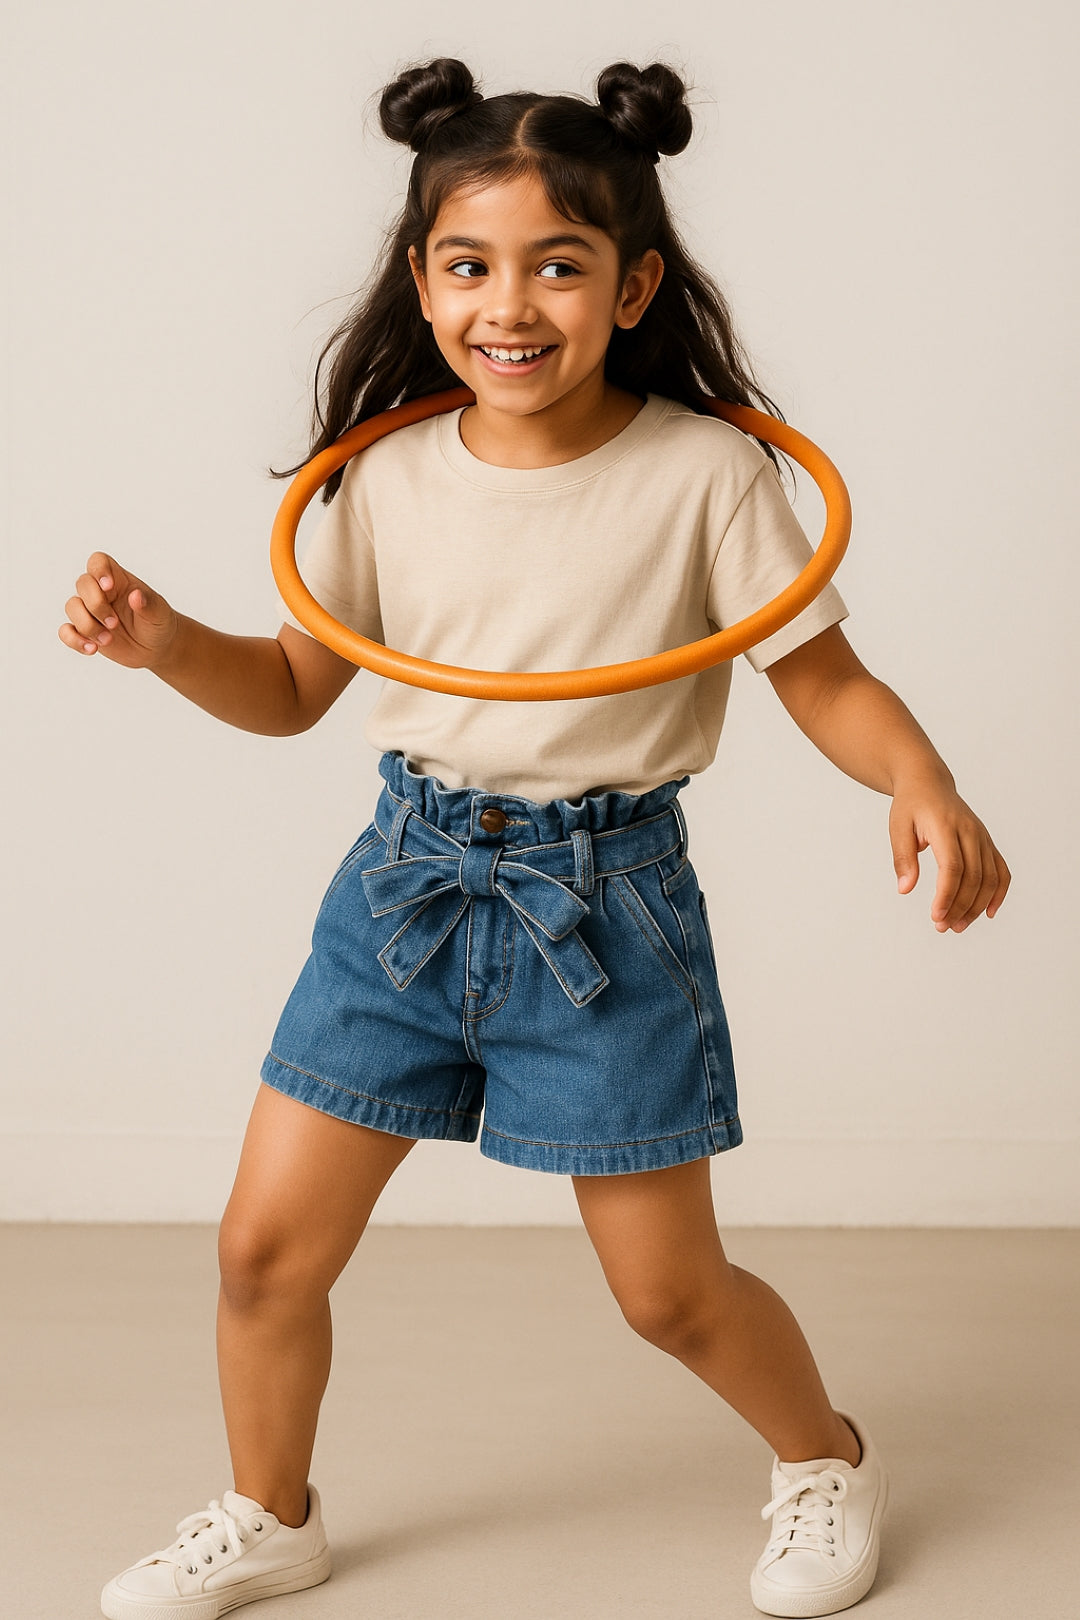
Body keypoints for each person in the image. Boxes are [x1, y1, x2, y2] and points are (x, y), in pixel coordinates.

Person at [62, 58, 1010, 1620]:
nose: (513, 303)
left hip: (603, 908)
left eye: (560, 265)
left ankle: (825, 1456)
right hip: (406, 892)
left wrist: (922, 779)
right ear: (423, 282)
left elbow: (822, 676)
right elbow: (300, 689)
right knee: (261, 1255)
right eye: (470, 263)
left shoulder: (709, 477)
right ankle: (268, 1511)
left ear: (632, 284)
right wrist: (170, 644)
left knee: (669, 1294)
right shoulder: (377, 477)